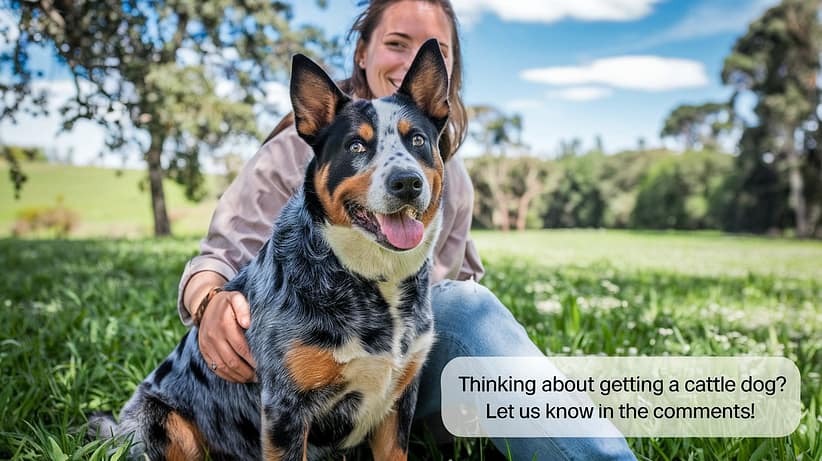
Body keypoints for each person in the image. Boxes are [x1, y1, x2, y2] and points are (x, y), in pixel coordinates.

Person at [177, 1, 636, 459]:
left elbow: (461, 294)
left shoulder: (450, 178)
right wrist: (209, 302)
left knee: (467, 306)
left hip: (398, 373)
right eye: (397, 43)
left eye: (434, 50)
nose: (410, 61)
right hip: (290, 378)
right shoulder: (292, 153)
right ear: (363, 52)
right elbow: (219, 257)